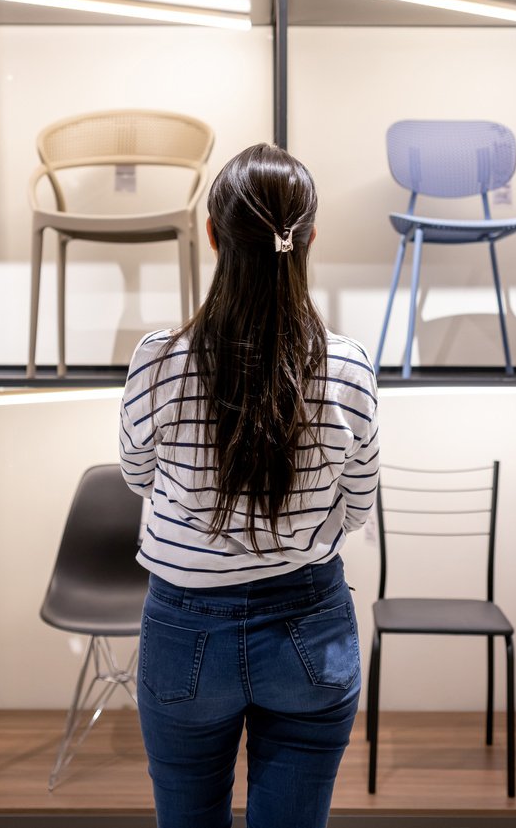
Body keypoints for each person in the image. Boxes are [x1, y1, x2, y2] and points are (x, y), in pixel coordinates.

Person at [119, 143, 380, 828]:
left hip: (184, 628)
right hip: (308, 627)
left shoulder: (156, 361)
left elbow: (136, 474)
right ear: (310, 237)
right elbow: (358, 506)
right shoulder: (348, 368)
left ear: (211, 234)